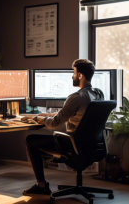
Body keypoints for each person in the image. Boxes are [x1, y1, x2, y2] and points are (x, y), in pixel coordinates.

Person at [22, 59, 104, 196]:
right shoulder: (98, 94)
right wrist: (45, 114)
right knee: (35, 140)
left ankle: (41, 185)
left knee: (30, 140)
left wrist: (35, 118)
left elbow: (54, 123)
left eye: (74, 72)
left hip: (73, 146)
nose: (72, 76)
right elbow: (70, 114)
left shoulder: (76, 97)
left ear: (80, 75)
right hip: (92, 145)